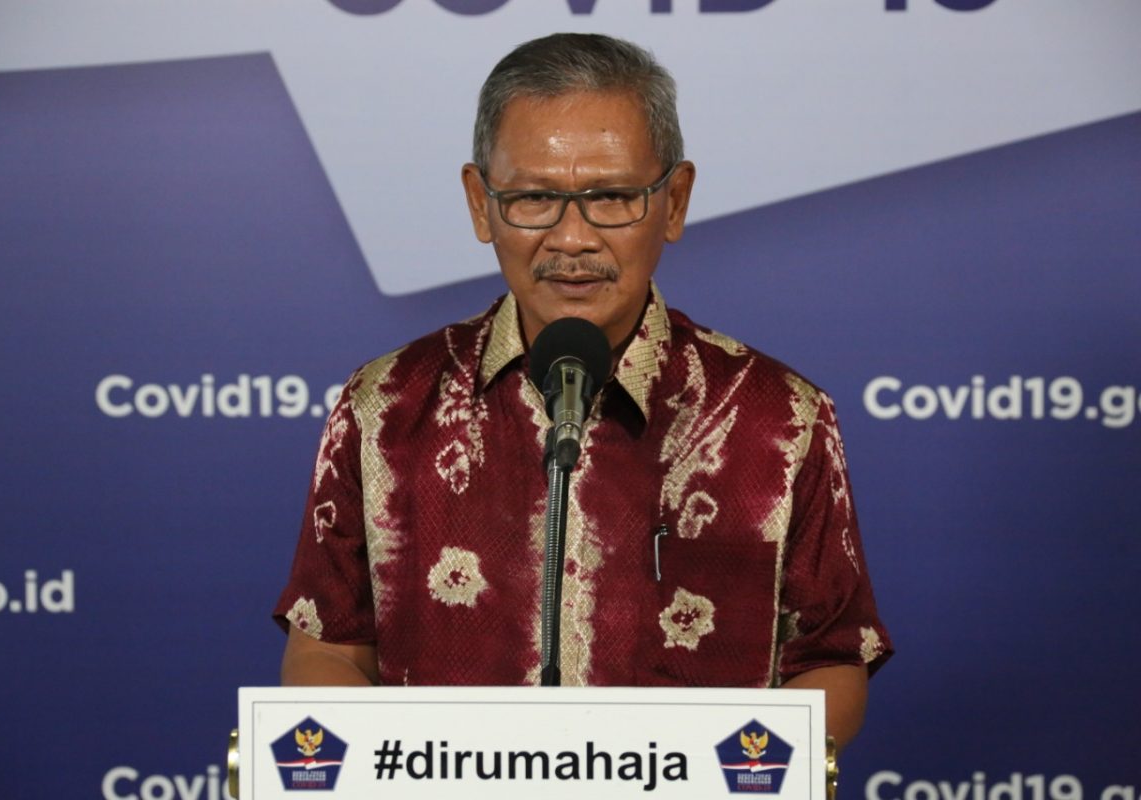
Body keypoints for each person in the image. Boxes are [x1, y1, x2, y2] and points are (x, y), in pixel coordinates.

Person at [274, 32, 891, 748]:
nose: (572, 239)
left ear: (674, 201)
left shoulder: (777, 418)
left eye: (612, 197)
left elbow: (830, 658)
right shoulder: (385, 407)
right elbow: (326, 646)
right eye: (534, 197)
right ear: (480, 204)